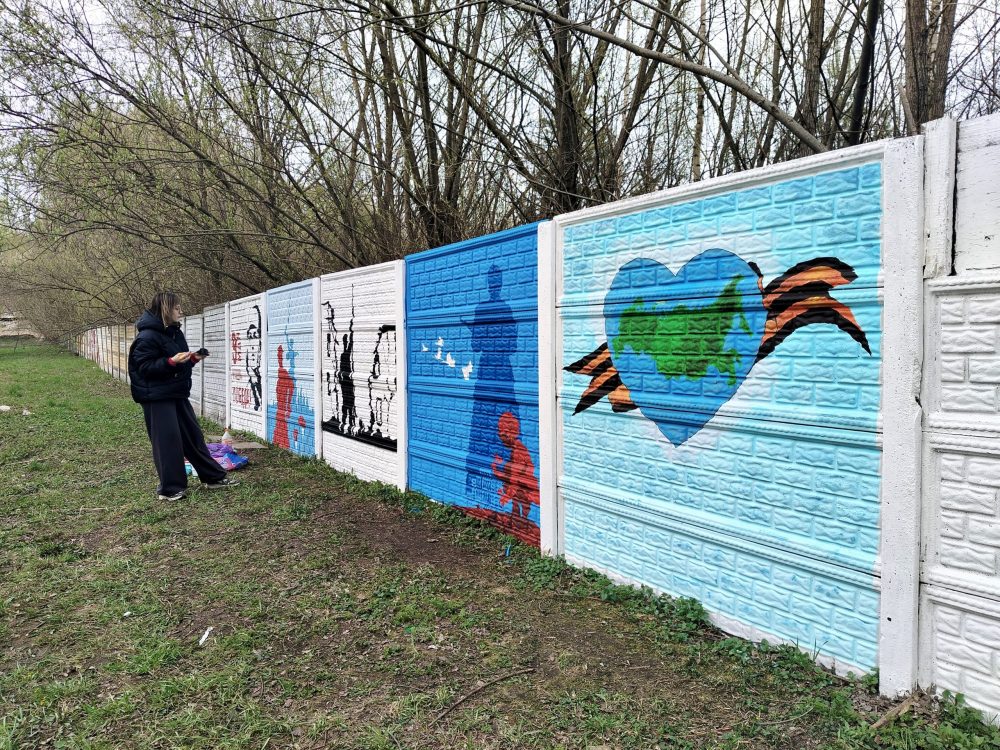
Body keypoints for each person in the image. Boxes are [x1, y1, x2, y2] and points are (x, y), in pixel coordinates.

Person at [128, 292, 239, 500]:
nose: (180, 311)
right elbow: (143, 368)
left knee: (193, 436)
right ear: (166, 309)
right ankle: (170, 489)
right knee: (167, 441)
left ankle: (212, 477)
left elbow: (177, 363)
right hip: (157, 397)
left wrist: (193, 359)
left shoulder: (174, 333)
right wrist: (170, 362)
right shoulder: (147, 337)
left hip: (176, 392)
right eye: (177, 308)